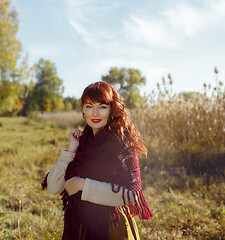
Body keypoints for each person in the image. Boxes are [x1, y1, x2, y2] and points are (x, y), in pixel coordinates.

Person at [42, 81, 153, 239]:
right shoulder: (82, 142)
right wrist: (71, 149)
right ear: (83, 110)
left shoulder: (121, 144)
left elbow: (131, 194)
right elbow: (53, 187)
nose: (95, 113)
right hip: (78, 226)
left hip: (111, 226)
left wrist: (82, 185)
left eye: (102, 107)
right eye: (89, 106)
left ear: (111, 109)